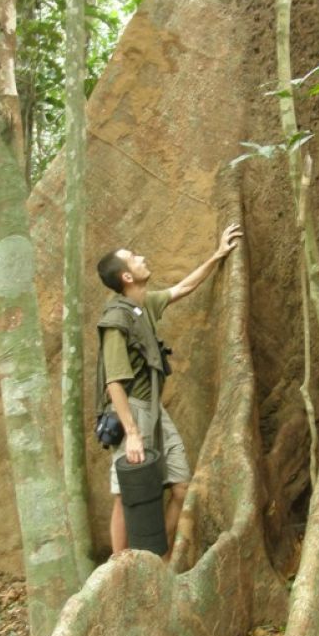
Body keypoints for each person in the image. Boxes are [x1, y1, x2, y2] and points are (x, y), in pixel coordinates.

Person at [96, 224, 242, 558]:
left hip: (155, 410)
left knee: (180, 486)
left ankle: (155, 560)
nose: (141, 258)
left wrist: (219, 254)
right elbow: (113, 382)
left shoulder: (143, 305)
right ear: (127, 278)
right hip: (131, 411)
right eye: (134, 258)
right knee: (126, 492)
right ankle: (120, 568)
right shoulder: (116, 320)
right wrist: (131, 433)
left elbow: (183, 288)